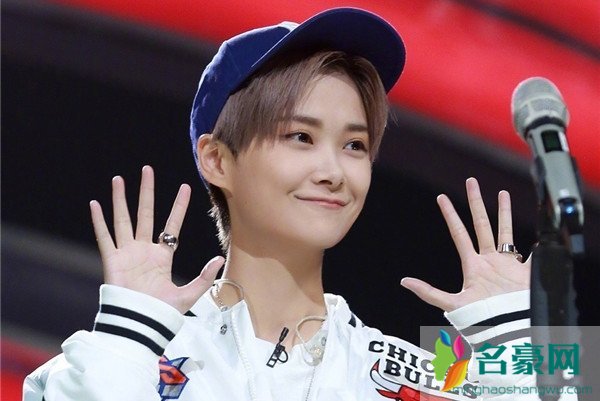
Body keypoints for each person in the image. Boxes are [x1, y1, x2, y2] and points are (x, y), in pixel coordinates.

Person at [24, 7, 540, 401]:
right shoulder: (124, 355)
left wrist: (518, 336)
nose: (333, 171)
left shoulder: (412, 375)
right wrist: (128, 336)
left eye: (354, 145)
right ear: (217, 159)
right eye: (300, 137)